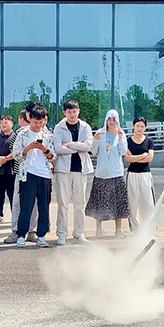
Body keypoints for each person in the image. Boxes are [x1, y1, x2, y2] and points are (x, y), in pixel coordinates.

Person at [12, 103, 56, 248]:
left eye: (40, 122)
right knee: (26, 206)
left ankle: (41, 235)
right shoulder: (22, 134)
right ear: (29, 118)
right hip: (28, 174)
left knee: (44, 207)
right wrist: (28, 148)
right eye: (35, 122)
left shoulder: (48, 135)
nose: (38, 125)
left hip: (44, 174)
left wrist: (44, 149)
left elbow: (53, 156)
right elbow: (16, 155)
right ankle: (21, 235)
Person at [53, 99, 93, 246]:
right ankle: (62, 234)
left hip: (80, 169)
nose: (72, 114)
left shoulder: (85, 127)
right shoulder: (59, 127)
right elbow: (57, 148)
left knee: (79, 203)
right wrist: (77, 148)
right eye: (69, 112)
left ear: (78, 111)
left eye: (74, 111)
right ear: (64, 112)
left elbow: (88, 146)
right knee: (63, 203)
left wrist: (69, 144)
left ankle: (79, 233)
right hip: (63, 170)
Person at [85, 109, 130, 239]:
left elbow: (123, 152)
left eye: (114, 119)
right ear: (106, 120)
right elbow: (94, 152)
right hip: (101, 173)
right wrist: (95, 140)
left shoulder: (121, 134)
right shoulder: (100, 133)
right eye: (109, 119)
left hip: (116, 173)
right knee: (99, 202)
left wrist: (120, 138)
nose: (111, 122)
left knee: (118, 203)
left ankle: (118, 230)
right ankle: (98, 230)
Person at [4, 109, 37, 244]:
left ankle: (32, 230)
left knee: (33, 202)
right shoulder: (20, 132)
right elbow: (13, 149)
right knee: (18, 202)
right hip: (21, 171)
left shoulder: (44, 132)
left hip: (37, 172)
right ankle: (16, 231)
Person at [124, 116, 156, 232]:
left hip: (145, 174)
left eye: (142, 126)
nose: (139, 128)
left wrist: (135, 158)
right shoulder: (127, 141)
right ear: (133, 126)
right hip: (132, 174)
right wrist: (142, 156)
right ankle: (135, 228)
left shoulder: (149, 141)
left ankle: (149, 228)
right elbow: (127, 159)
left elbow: (150, 158)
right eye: (137, 126)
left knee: (148, 202)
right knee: (132, 202)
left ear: (145, 127)